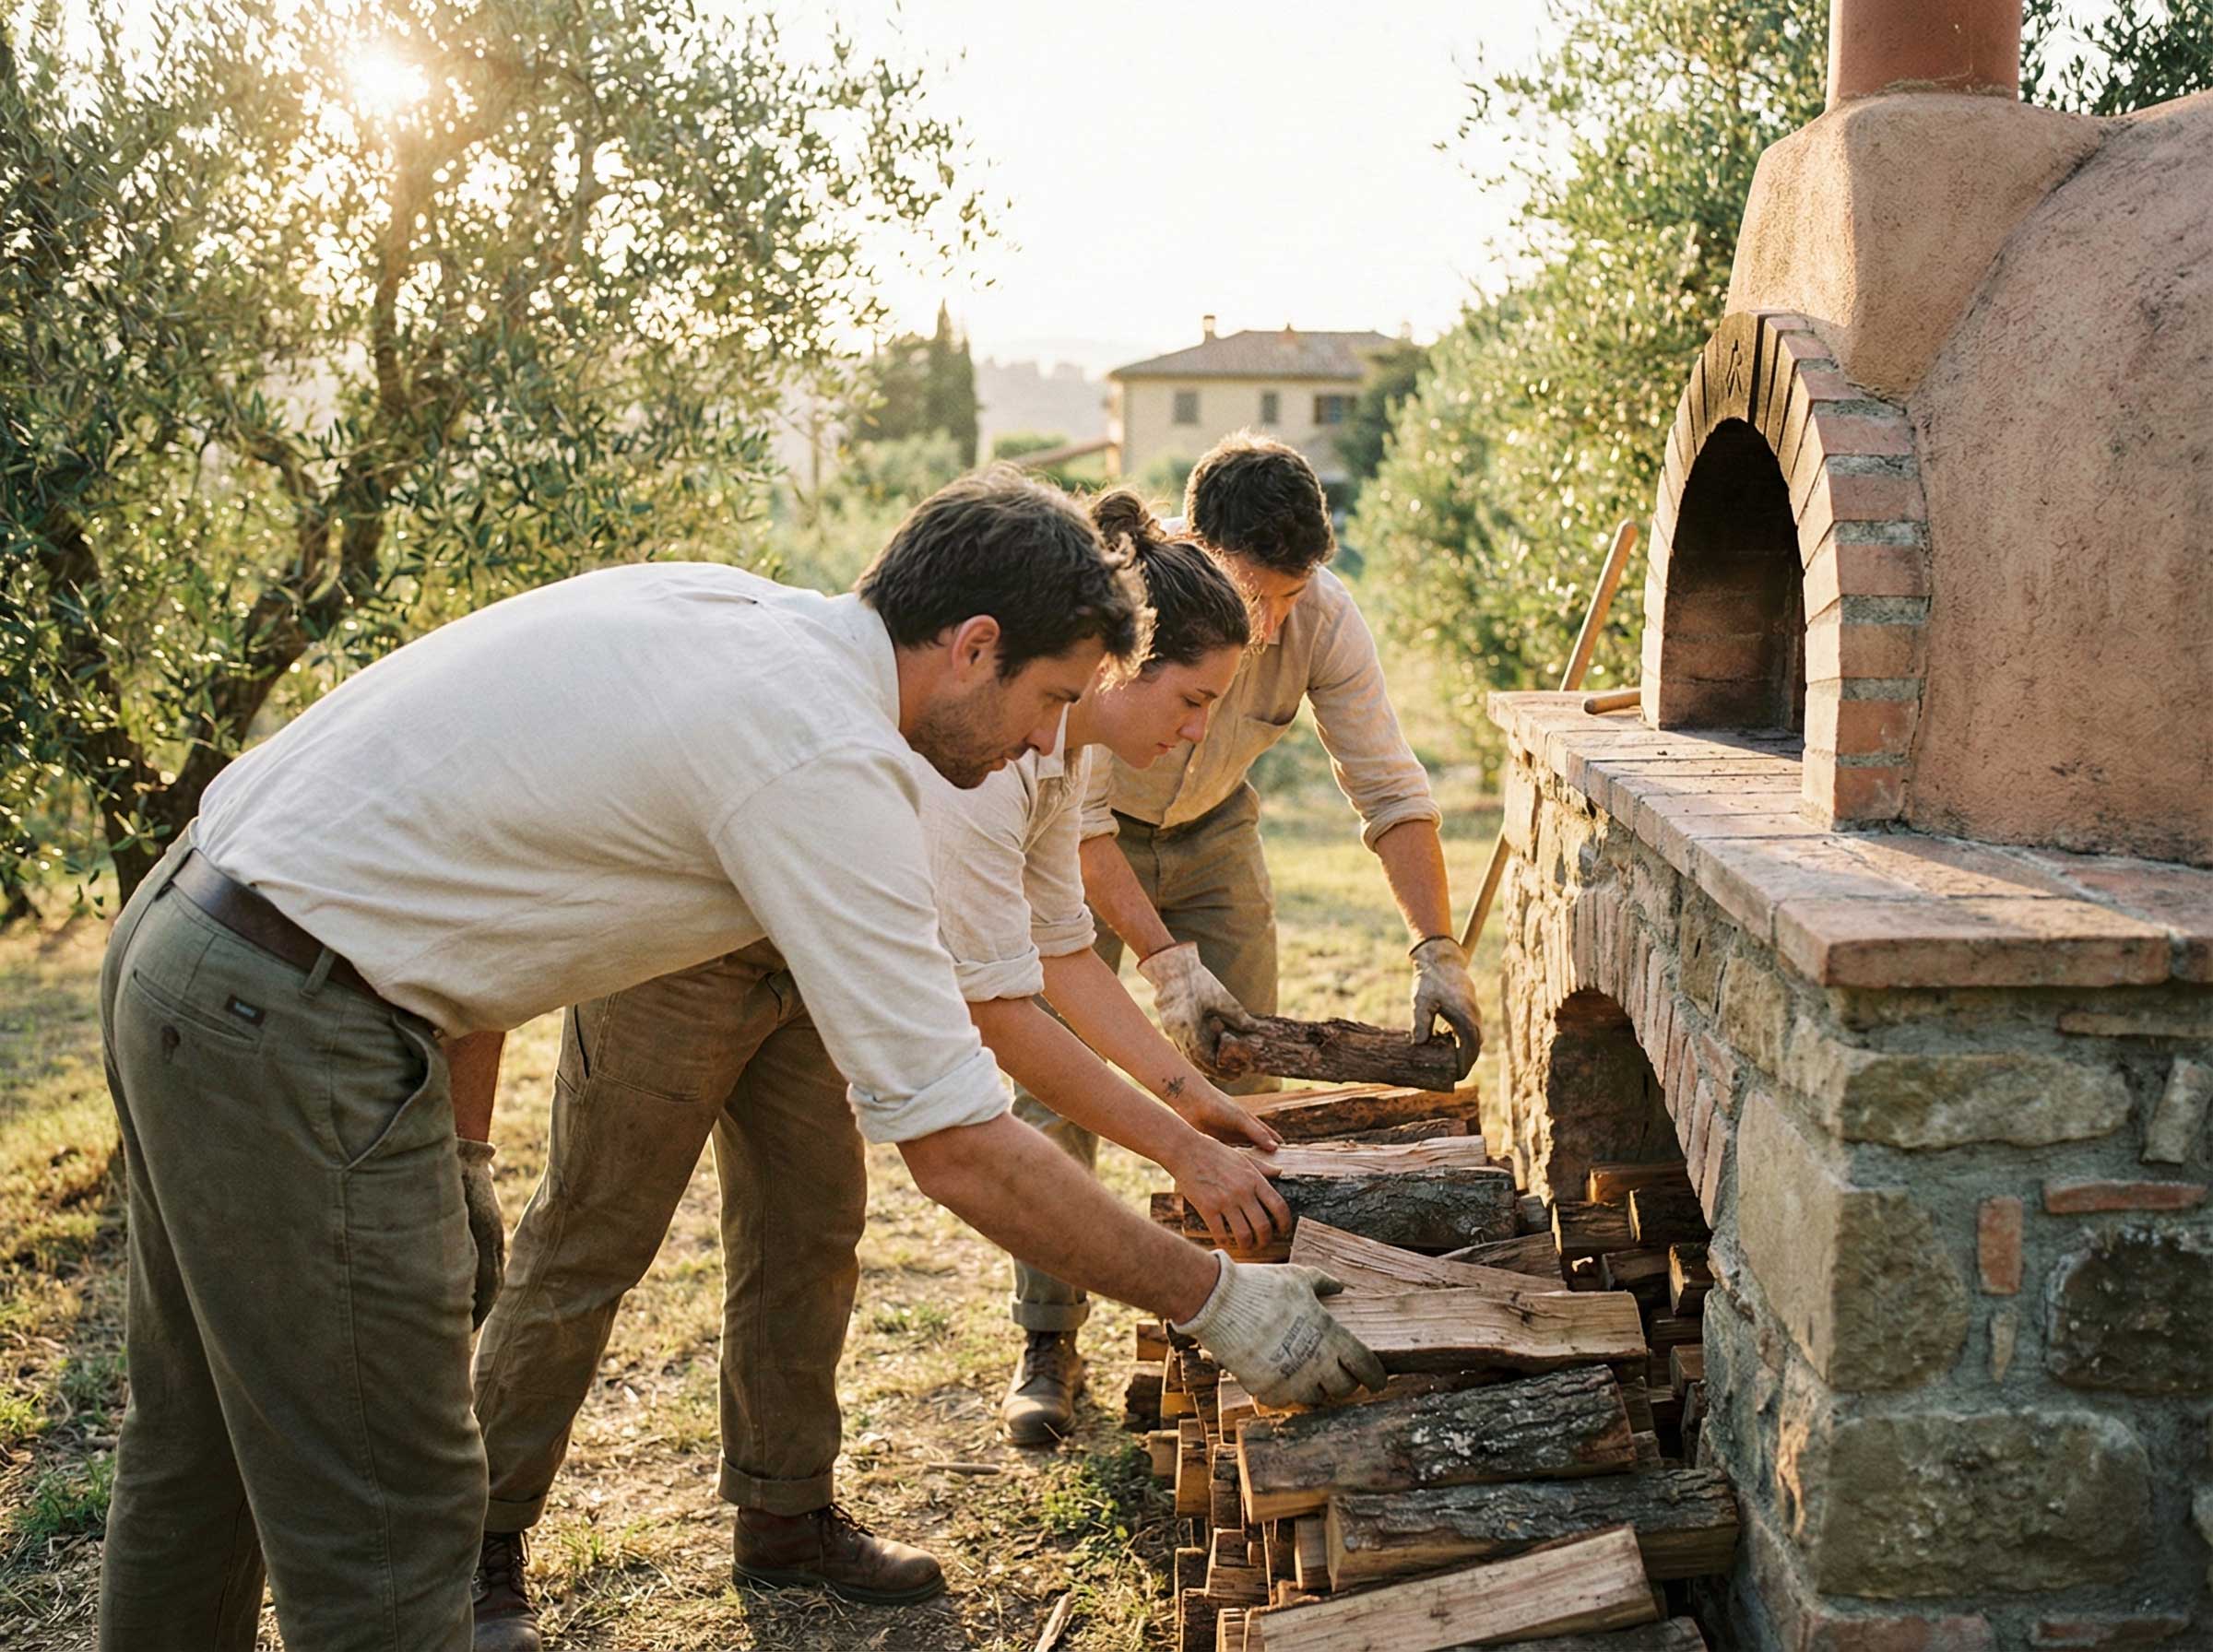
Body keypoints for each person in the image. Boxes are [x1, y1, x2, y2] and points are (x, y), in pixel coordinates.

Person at [94, 468, 1382, 1652]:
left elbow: (460, 831)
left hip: (192, 931)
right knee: (390, 1523)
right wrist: (1214, 1299)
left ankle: (779, 1508)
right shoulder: (827, 758)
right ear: (973, 645)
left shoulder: (743, 616)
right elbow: (960, 1147)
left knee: (197, 1461)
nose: (1052, 744)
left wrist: (467, 1144)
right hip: (290, 1019)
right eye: (1051, 700)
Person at [999, 432, 1485, 1441]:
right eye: (1250, 593)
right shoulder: (1118, 612)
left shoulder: (1325, 617)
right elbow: (1077, 823)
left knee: (1242, 1080)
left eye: (1289, 595)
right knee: (1055, 1078)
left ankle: (1228, 1326)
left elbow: (1388, 785)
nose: (1269, 624)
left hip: (1216, 830)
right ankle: (1048, 1337)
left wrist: (1436, 945)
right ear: (1190, 543)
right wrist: (1165, 964)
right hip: (1084, 838)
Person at [909, 491, 1286, 1445]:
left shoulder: (1064, 760)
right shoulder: (997, 767)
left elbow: (1065, 959)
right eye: (1193, 700)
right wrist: (1184, 1150)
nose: (1200, 732)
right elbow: (1005, 1015)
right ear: (1125, 667)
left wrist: (1189, 1094)